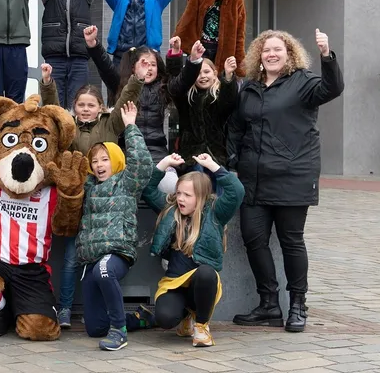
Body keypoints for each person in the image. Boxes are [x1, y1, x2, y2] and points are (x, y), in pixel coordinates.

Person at [228, 29, 344, 332]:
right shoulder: (250, 87)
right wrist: (232, 161)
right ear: (259, 56)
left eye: (278, 49)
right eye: (266, 50)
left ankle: (297, 305)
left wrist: (326, 56)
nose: (271, 54)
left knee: (291, 241)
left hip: (293, 175)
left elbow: (332, 88)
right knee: (254, 239)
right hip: (254, 177)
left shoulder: (303, 82)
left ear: (289, 53)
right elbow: (237, 127)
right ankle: (269, 304)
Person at [39, 58, 147, 328]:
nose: (85, 109)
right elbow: (52, 112)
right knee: (71, 258)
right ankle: (63, 308)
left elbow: (126, 102)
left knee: (98, 260)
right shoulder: (70, 128)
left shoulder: (109, 125)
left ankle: (108, 314)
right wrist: (48, 84)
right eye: (81, 105)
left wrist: (137, 79)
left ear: (100, 108)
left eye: (91, 105)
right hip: (78, 197)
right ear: (74, 108)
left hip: (108, 195)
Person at [140, 153, 245, 347]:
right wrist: (164, 164)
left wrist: (213, 166)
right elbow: (147, 190)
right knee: (164, 319)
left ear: (202, 197)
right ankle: (185, 316)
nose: (180, 199)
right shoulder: (170, 209)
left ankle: (202, 325)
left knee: (206, 273)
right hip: (174, 283)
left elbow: (237, 192)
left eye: (187, 195)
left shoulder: (215, 213)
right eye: (179, 193)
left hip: (201, 284)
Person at [76, 102, 154, 351]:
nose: (99, 165)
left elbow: (142, 164)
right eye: (95, 161)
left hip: (117, 252)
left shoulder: (127, 182)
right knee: (94, 328)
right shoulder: (89, 187)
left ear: (116, 160)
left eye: (105, 160)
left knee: (105, 271)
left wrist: (130, 127)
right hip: (91, 257)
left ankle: (120, 332)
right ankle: (137, 319)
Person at [35, 0, 114, 108]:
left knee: (77, 102)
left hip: (79, 58)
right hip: (54, 57)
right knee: (53, 104)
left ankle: (75, 135)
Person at [115, 39, 203, 163]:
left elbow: (182, 81)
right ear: (134, 68)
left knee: (171, 182)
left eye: (153, 64)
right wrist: (94, 45)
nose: (149, 68)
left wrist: (194, 61)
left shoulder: (163, 88)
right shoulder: (125, 87)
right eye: (144, 63)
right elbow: (105, 68)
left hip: (157, 152)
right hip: (128, 153)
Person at [169, 53, 238, 182]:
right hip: (191, 158)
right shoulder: (187, 98)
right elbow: (175, 85)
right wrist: (175, 56)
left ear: (215, 73)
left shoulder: (219, 96)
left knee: (216, 196)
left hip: (216, 157)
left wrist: (228, 76)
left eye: (206, 72)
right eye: (198, 73)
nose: (203, 76)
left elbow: (228, 102)